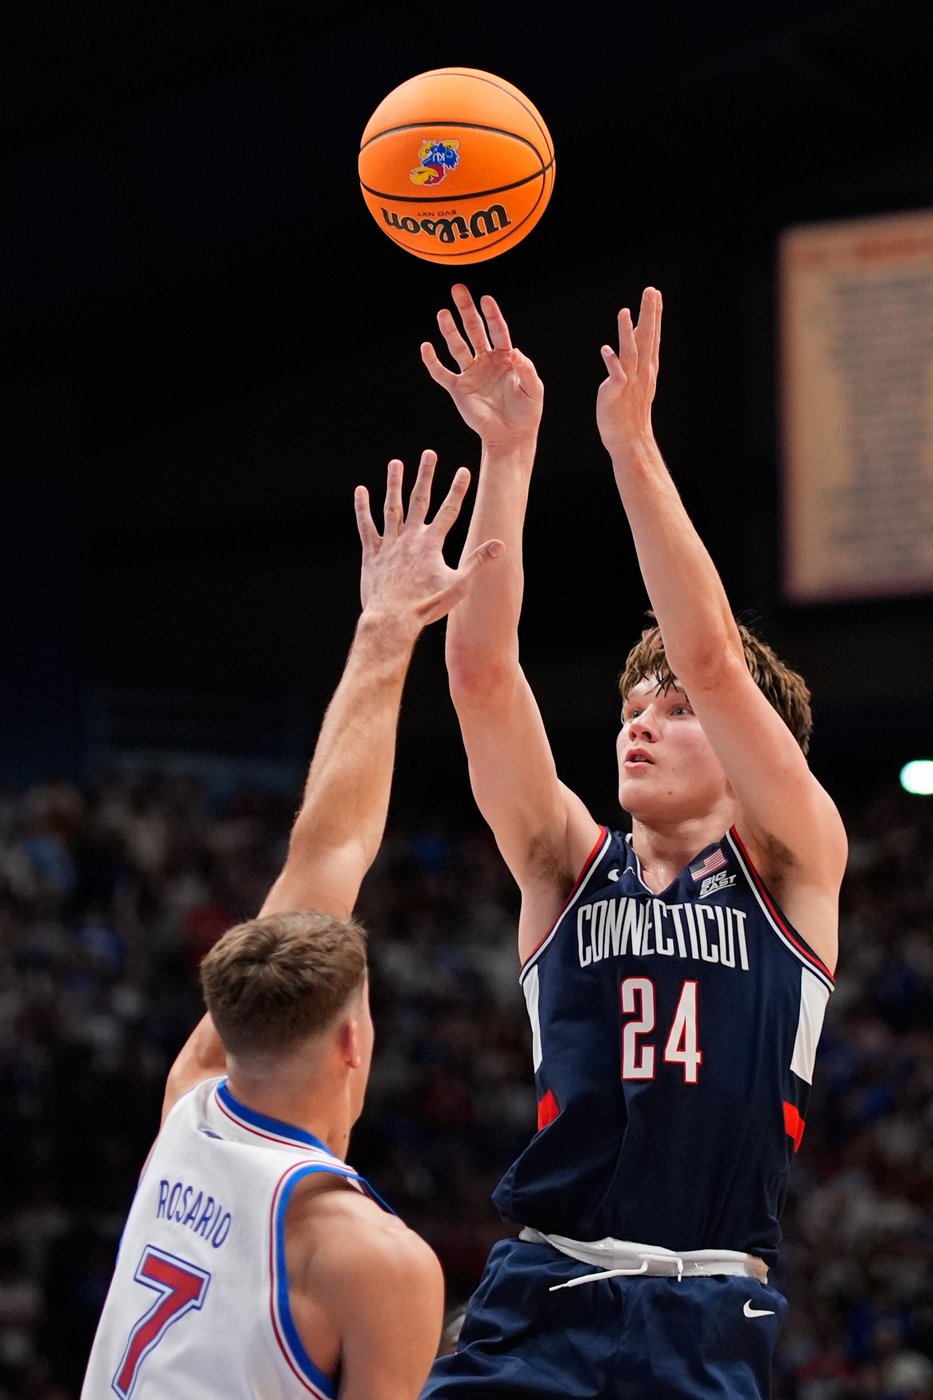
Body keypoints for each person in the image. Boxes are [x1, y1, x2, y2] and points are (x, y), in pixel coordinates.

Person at [417, 286, 849, 1399]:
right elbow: (477, 675)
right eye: (630, 706)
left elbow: (711, 656)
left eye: (674, 709)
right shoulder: (565, 858)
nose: (641, 719)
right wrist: (507, 453)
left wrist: (631, 444)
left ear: (761, 747)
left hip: (709, 1313)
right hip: (541, 1294)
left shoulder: (794, 859)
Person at [79, 452, 503, 1400]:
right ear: (356, 1039)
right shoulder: (377, 1263)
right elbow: (328, 851)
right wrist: (388, 627)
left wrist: (384, 627)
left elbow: (327, 853)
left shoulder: (188, 1112)